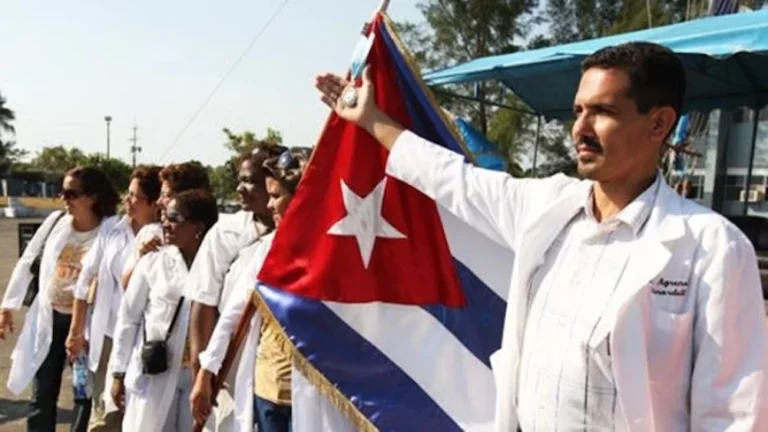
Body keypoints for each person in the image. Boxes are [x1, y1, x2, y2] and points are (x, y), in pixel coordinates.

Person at [314, 42, 768, 430]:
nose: (580, 129)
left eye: (604, 112)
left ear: (658, 123)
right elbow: (455, 180)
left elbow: (734, 411)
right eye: (578, 111)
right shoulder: (549, 209)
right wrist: (373, 120)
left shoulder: (712, 247)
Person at [190, 147, 314, 432]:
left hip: (315, 394)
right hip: (268, 393)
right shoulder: (268, 249)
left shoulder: (336, 253)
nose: (270, 206)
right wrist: (206, 372)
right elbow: (234, 313)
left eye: (276, 196)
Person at [0, 166, 120, 432]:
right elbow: (28, 259)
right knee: (41, 395)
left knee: (84, 394)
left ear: (93, 197)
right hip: (50, 320)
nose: (64, 199)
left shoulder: (111, 231)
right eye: (62, 192)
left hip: (86, 326)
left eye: (71, 193)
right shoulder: (56, 222)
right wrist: (8, 306)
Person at [109, 189, 218, 432]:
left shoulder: (219, 267)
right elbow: (129, 319)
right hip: (154, 374)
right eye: (164, 218)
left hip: (198, 378)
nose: (165, 225)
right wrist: (118, 374)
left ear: (197, 226)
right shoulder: (152, 262)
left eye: (174, 218)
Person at [65, 165, 162, 431]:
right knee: (104, 417)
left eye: (135, 197)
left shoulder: (165, 237)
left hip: (144, 342)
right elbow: (85, 280)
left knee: (137, 417)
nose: (127, 201)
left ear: (155, 203)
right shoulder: (112, 229)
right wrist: (76, 331)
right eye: (127, 194)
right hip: (108, 336)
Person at [120, 162, 211, 289]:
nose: (159, 202)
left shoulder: (215, 244)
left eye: (166, 195)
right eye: (160, 195)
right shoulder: (150, 234)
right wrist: (141, 259)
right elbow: (125, 286)